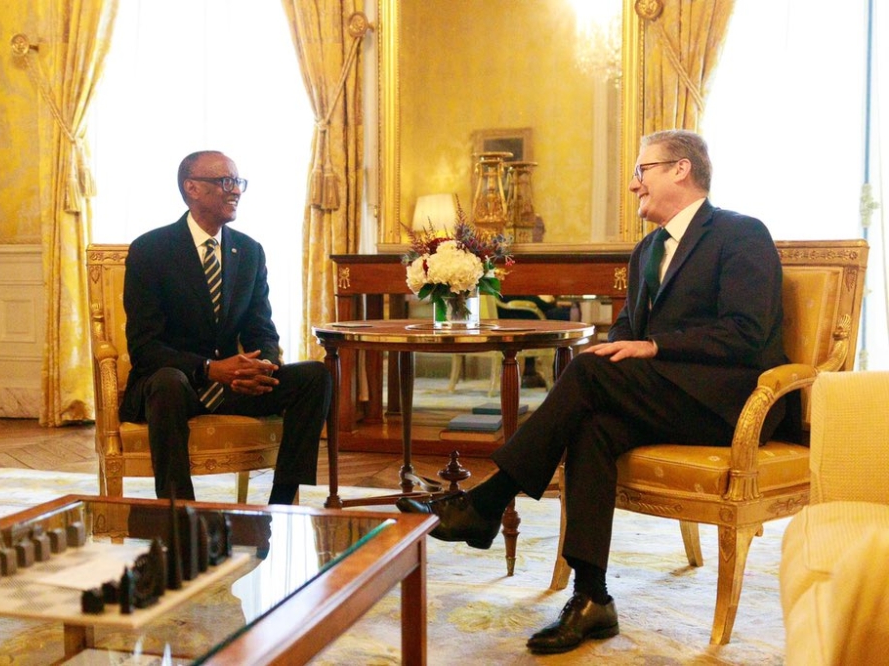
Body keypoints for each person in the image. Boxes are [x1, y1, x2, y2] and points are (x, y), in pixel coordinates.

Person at [397, 130, 795, 654]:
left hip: (733, 401)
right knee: (592, 423)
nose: (634, 186)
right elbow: (627, 329)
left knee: (586, 374)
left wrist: (653, 347)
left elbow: (745, 332)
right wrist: (627, 346)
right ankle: (592, 597)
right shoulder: (648, 249)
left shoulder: (741, 234)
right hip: (670, 397)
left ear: (680, 169)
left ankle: (487, 502)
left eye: (641, 171)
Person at [119, 150, 331, 505]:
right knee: (167, 382)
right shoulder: (150, 250)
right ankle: (179, 510)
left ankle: (281, 503)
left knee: (316, 377)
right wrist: (209, 369)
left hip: (235, 384)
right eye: (225, 182)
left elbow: (262, 329)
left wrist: (258, 366)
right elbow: (145, 347)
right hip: (177, 385)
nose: (235, 191)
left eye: (238, 182)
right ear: (192, 188)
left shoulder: (249, 251)